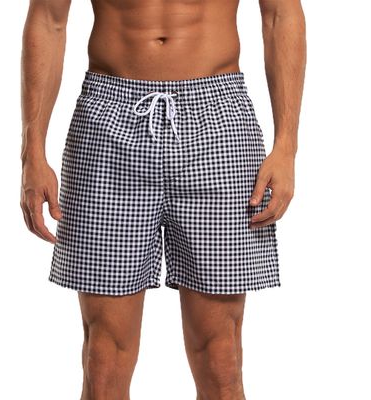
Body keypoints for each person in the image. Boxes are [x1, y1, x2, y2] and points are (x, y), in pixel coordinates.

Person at [20, 0, 306, 398]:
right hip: (108, 118)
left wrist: (286, 146)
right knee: (103, 361)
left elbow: (281, 14)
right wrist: (32, 151)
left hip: (218, 120)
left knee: (221, 357)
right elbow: (48, 20)